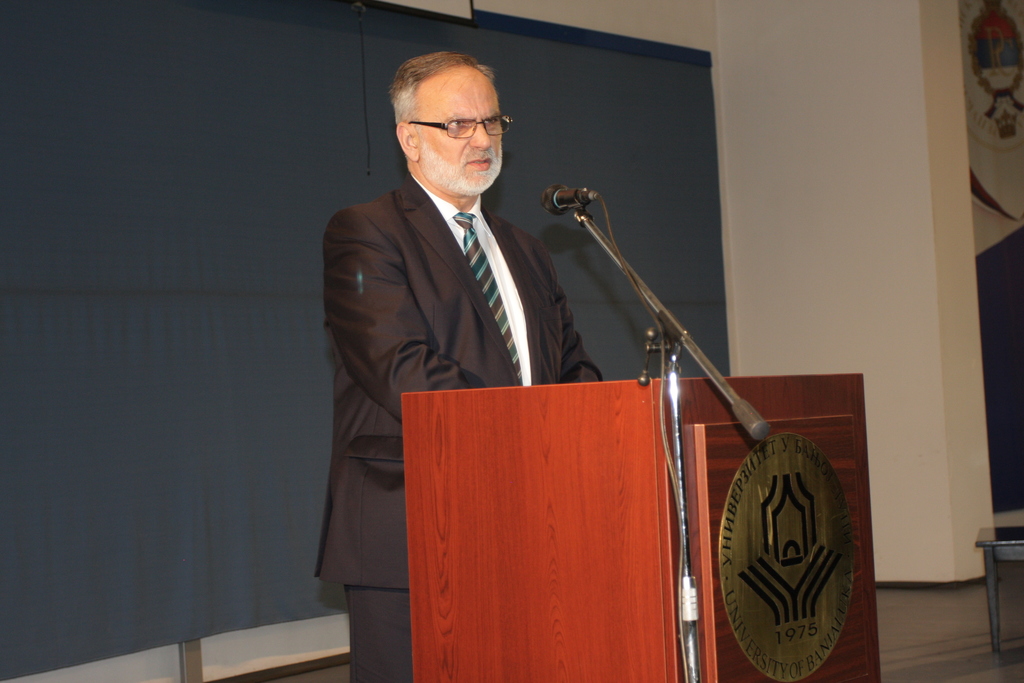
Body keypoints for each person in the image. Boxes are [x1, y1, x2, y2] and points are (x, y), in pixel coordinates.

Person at [315, 51, 602, 683]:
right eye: (458, 125)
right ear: (409, 140)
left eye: (492, 122)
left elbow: (571, 366)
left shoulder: (528, 250)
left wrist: (591, 428)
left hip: (528, 521)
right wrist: (531, 437)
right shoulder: (365, 234)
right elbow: (402, 369)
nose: (481, 139)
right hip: (412, 527)